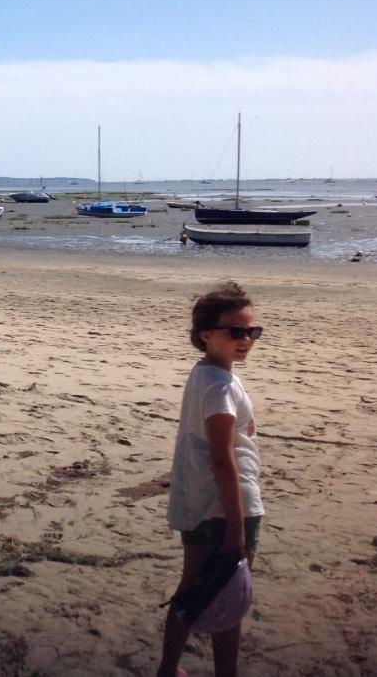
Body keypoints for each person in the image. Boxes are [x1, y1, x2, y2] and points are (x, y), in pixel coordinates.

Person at [158, 281, 264, 677]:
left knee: (192, 589)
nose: (246, 340)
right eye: (235, 332)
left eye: (252, 332)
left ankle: (168, 668)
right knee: (229, 595)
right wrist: (237, 528)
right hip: (227, 506)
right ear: (206, 335)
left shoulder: (205, 374)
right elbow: (223, 459)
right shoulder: (219, 386)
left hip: (200, 502)